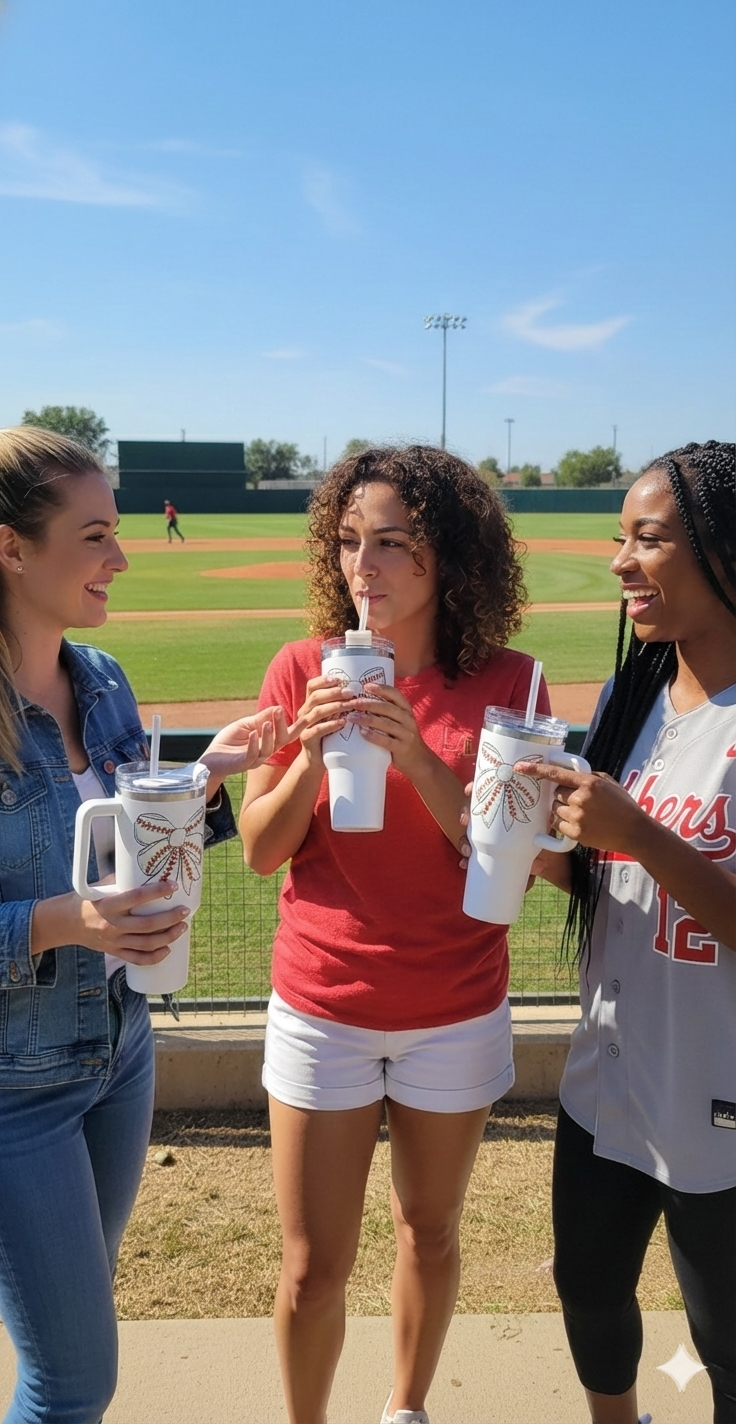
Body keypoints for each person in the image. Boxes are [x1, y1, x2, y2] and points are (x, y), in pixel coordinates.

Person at [240, 444, 551, 1424]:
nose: (361, 566)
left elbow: (517, 855)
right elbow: (258, 848)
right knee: (309, 1266)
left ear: (447, 558)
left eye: (390, 543)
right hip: (323, 1004)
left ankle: (406, 1407)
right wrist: (306, 745)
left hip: (455, 1006)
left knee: (430, 1228)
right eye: (346, 542)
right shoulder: (301, 667)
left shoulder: (511, 680)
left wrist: (420, 759)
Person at [0, 426, 288, 1424]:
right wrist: (59, 919)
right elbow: (77, 899)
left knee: (68, 1345)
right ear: (12, 548)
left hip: (122, 1051)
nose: (120, 557)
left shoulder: (107, 680)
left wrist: (210, 774)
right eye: (94, 536)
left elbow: (134, 839)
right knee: (74, 1381)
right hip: (12, 1087)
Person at [505, 441, 735, 1424]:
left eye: (648, 538)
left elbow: (643, 851)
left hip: (718, 1087)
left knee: (726, 1339)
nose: (619, 561)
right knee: (588, 1283)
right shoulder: (633, 693)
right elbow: (591, 868)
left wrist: (634, 832)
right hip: (611, 1068)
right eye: (619, 538)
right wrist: (515, 830)